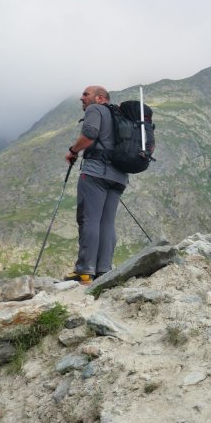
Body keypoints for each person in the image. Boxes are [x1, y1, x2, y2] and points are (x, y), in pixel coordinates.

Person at [63, 86, 129, 284]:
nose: (81, 98)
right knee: (107, 222)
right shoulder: (119, 115)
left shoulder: (95, 109)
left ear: (100, 98)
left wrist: (73, 151)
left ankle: (85, 270)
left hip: (95, 173)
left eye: (85, 94)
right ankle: (103, 270)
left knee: (89, 219)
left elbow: (90, 134)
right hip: (119, 176)